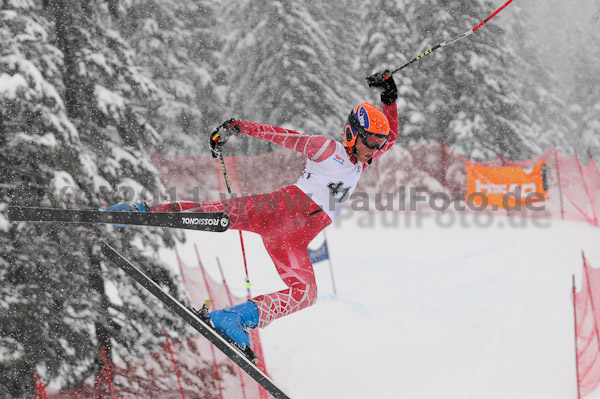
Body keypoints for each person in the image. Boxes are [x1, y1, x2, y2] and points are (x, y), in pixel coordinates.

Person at [105, 71, 398, 360]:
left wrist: (389, 97)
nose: (375, 150)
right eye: (371, 141)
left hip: (291, 240)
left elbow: (392, 136)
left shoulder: (362, 163)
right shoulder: (327, 149)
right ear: (352, 134)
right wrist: (238, 127)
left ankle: (235, 318)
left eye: (378, 144)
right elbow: (284, 136)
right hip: (276, 210)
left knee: (306, 294)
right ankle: (138, 210)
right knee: (210, 212)